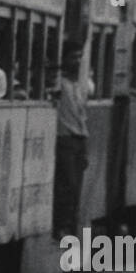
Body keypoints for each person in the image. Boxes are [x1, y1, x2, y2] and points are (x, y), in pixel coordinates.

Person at [52, 39, 91, 238]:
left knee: (75, 187)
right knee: (67, 184)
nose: (77, 61)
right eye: (73, 57)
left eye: (79, 57)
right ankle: (61, 226)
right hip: (64, 137)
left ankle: (70, 226)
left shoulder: (79, 83)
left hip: (79, 138)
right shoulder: (59, 81)